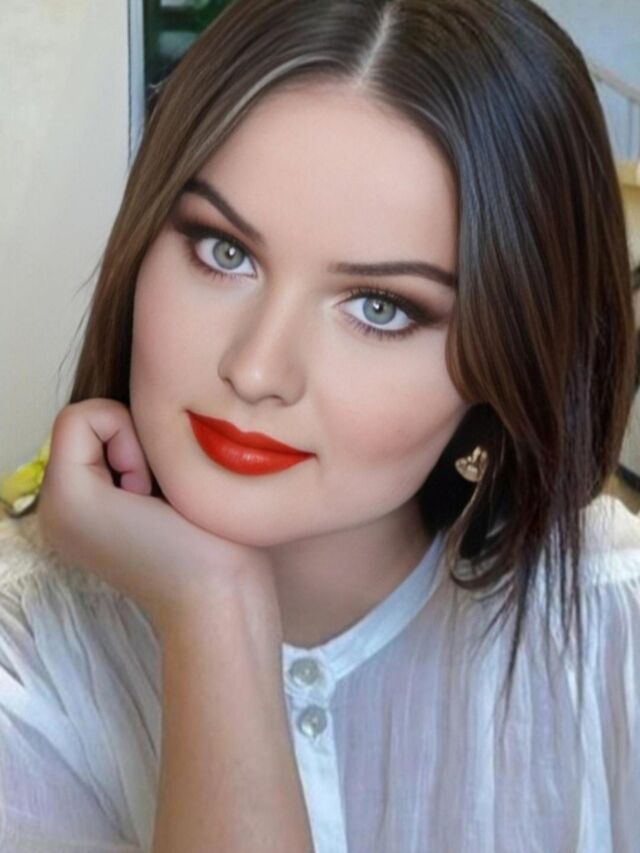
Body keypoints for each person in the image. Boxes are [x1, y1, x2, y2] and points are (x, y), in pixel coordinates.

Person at [0, 0, 639, 850]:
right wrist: (214, 609)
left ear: (508, 354)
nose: (257, 369)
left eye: (379, 307)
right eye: (224, 251)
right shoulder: (24, 656)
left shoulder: (613, 624)